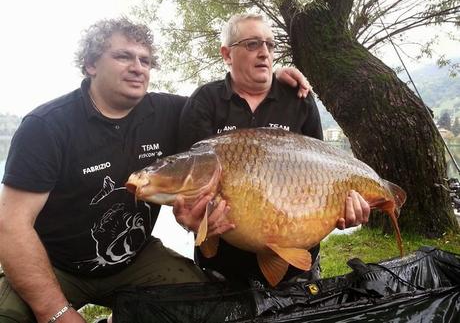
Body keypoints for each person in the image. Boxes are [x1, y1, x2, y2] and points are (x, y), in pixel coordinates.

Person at [0, 17, 310, 322]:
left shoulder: (170, 112)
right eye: (123, 56)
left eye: (145, 60)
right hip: (56, 264)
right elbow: (11, 226)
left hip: (136, 259)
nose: (137, 67)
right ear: (91, 64)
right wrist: (55, 313)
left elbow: (236, 123)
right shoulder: (47, 126)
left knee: (209, 303)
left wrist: (271, 75)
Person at [176, 13, 370, 285]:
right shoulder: (205, 102)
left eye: (270, 44)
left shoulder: (299, 98)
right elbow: (188, 181)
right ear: (227, 54)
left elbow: (325, 172)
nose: (264, 52)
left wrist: (341, 210)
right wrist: (189, 221)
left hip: (296, 262)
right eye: (252, 44)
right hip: (222, 266)